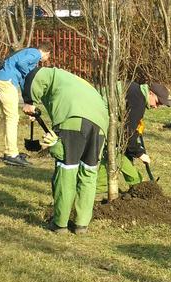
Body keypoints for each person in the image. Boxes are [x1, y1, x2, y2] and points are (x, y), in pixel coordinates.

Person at [22, 66, 109, 235]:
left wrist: (29, 101)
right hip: (100, 125)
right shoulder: (76, 82)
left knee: (67, 170)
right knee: (89, 173)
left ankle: (60, 223)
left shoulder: (52, 73)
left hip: (73, 121)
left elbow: (37, 76)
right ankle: (81, 225)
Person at [96, 82, 170, 194]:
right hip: (98, 117)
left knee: (107, 152)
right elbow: (127, 136)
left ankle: (99, 190)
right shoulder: (138, 100)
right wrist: (140, 153)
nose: (156, 106)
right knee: (115, 152)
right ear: (150, 93)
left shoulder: (135, 89)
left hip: (97, 115)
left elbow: (129, 127)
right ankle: (137, 186)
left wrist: (135, 136)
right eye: (157, 102)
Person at [0, 44, 52, 166]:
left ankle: (9, 151)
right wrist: (30, 73)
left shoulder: (27, 52)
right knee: (12, 118)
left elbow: (23, 82)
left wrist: (29, 103)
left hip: (3, 81)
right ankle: (11, 154)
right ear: (47, 53)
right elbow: (22, 64)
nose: (45, 60)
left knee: (8, 118)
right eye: (48, 57)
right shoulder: (35, 53)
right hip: (7, 82)